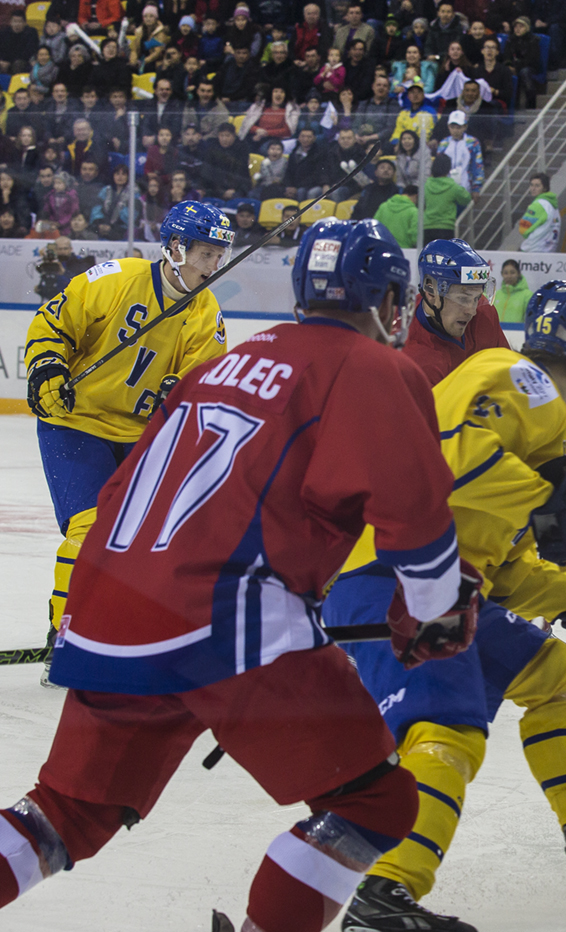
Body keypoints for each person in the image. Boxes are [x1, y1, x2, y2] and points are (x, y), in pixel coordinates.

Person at [2, 217, 481, 932]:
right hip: (225, 618)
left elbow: (121, 491)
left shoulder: (224, 362)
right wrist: (436, 607)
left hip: (107, 602)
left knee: (66, 814)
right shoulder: (372, 368)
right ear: (390, 300)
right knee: (374, 801)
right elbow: (414, 515)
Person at [326, 280, 566, 932]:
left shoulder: (537, 414)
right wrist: (545, 497)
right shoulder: (519, 379)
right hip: (393, 577)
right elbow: (451, 458)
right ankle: (383, 895)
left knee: (558, 675)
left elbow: (506, 565)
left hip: (445, 582)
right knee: (447, 727)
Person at [21, 201, 232, 685]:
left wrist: (179, 395)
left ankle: (123, 632)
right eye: (206, 254)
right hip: (75, 423)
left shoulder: (207, 315)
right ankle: (65, 638)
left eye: (219, 256)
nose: (214, 265)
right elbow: (53, 323)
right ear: (176, 247)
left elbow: (202, 389)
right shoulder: (114, 279)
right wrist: (48, 366)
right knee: (90, 530)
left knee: (148, 542)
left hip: (140, 438)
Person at [399, 238, 507, 383]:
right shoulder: (411, 352)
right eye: (462, 298)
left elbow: (509, 376)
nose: (472, 311)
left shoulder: (484, 313)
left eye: (476, 297)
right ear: (431, 292)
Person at [422, 152, 473, 240]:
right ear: (448, 169)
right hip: (446, 227)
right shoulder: (453, 186)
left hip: (427, 226)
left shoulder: (426, 185)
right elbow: (466, 199)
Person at [435, 110, 484, 196]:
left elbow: (478, 165)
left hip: (465, 188)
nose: (455, 131)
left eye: (459, 127)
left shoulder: (472, 143)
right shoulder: (443, 143)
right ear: (448, 126)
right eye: (452, 127)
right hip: (446, 189)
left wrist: (476, 188)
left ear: (465, 127)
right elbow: (438, 167)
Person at [519, 172, 561, 253]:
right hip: (549, 249)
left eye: (537, 186)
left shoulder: (538, 205)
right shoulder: (553, 205)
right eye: (531, 185)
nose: (533, 188)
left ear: (545, 188)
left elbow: (523, 230)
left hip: (533, 249)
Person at [374, 183, 419, 247]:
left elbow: (375, 227)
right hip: (404, 250)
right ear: (416, 196)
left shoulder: (383, 206)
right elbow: (415, 236)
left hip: (383, 248)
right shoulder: (414, 211)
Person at [494, 257, 533, 323]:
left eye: (512, 272)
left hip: (518, 329)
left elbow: (530, 319)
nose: (509, 276)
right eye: (506, 273)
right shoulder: (496, 295)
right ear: (502, 274)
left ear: (518, 273)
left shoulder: (527, 295)